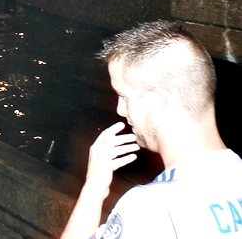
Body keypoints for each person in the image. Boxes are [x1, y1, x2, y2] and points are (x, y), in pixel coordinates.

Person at [59, 21, 242, 238]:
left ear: (159, 101)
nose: (120, 109)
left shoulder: (149, 208)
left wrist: (93, 190)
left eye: (124, 96)